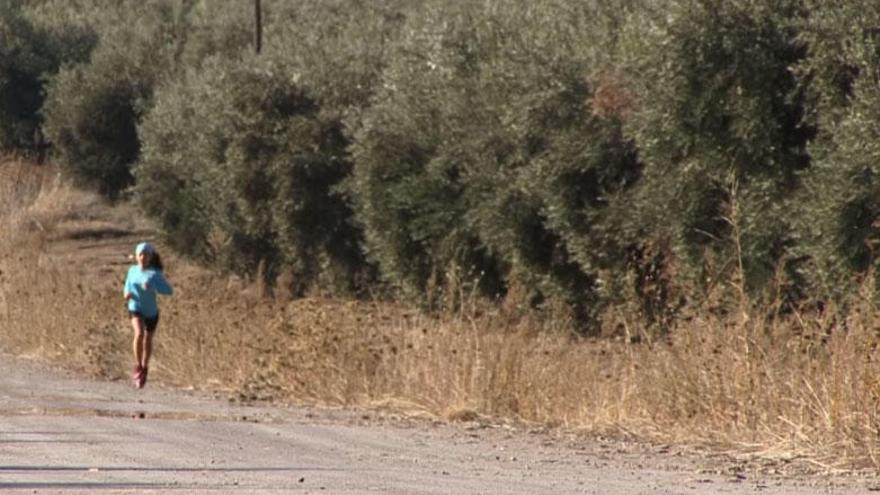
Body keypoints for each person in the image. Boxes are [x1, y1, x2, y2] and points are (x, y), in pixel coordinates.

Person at [123, 242, 173, 389]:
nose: (143, 257)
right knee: (138, 333)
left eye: (146, 254)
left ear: (151, 257)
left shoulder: (155, 274)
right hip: (135, 307)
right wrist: (126, 294)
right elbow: (127, 286)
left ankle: (145, 366)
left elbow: (169, 291)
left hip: (151, 311)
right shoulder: (132, 270)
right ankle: (138, 366)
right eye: (141, 254)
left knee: (147, 338)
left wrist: (153, 287)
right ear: (137, 256)